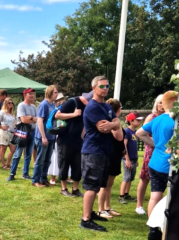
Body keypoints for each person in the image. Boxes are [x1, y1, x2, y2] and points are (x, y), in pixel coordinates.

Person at [79, 76, 123, 232]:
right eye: (102, 86)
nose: (105, 88)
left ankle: (90, 213)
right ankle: (85, 219)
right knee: (91, 186)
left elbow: (117, 123)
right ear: (94, 88)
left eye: (107, 86)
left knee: (98, 185)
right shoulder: (92, 107)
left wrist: (113, 123)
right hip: (93, 152)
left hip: (103, 152)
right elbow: (103, 128)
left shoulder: (106, 106)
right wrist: (114, 124)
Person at [136, 90, 177, 240]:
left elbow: (139, 132)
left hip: (155, 163)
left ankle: (153, 229)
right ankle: (169, 226)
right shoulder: (176, 121)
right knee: (173, 197)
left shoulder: (157, 119)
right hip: (170, 165)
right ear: (175, 104)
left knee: (155, 196)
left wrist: (156, 145)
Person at [55, 90, 92, 197]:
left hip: (78, 139)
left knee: (78, 164)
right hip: (65, 138)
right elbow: (58, 115)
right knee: (64, 163)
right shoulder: (71, 102)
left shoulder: (87, 107)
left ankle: (75, 189)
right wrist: (74, 114)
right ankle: (64, 188)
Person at [135, 94, 164, 215]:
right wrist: (155, 143)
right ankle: (139, 205)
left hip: (161, 152)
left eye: (164, 102)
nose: (162, 105)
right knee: (145, 177)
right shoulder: (152, 117)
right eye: (160, 103)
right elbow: (143, 134)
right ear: (156, 104)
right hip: (151, 150)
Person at [97, 98, 124, 218]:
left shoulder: (113, 121)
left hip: (116, 155)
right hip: (109, 155)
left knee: (109, 185)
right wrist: (117, 123)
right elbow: (118, 137)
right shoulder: (110, 122)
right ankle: (101, 209)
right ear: (118, 110)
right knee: (104, 184)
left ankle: (107, 207)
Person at [7, 88, 37, 181]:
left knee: (28, 154)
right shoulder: (21, 105)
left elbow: (37, 119)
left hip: (32, 132)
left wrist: (30, 118)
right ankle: (12, 174)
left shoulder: (33, 107)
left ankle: (26, 173)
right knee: (18, 154)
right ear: (25, 95)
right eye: (30, 94)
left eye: (33, 93)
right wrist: (32, 118)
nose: (32, 95)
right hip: (22, 132)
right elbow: (23, 120)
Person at [31, 85, 58, 187]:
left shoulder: (53, 104)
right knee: (40, 159)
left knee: (47, 160)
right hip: (43, 137)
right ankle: (35, 180)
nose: (56, 95)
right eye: (55, 93)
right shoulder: (44, 104)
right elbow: (40, 120)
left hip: (51, 136)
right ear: (50, 93)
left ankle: (43, 179)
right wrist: (43, 136)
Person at [118, 111, 143, 204]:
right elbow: (124, 146)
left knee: (131, 178)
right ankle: (121, 196)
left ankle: (126, 194)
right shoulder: (127, 132)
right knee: (126, 177)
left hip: (133, 159)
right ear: (131, 121)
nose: (139, 122)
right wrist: (127, 159)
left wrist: (136, 160)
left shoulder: (135, 132)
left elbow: (134, 147)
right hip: (127, 159)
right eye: (137, 120)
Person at [0, 97, 16, 170]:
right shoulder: (3, 112)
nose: (10, 104)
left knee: (13, 149)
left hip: (12, 133)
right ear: (5, 104)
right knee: (3, 148)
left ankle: (8, 163)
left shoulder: (12, 113)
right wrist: (1, 127)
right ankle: (3, 164)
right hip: (5, 132)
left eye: (11, 103)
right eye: (9, 103)